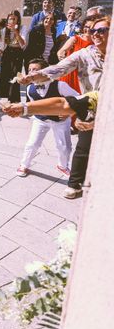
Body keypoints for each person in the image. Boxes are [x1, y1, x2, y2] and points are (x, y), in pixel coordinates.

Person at [17, 15, 109, 199]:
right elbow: (59, 68)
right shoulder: (85, 54)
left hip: (109, 108)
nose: (96, 34)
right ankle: (74, 184)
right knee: (82, 148)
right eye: (93, 31)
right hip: (91, 106)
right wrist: (35, 76)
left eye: (102, 30)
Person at [15, 58, 78, 177]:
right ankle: (24, 165)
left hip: (60, 120)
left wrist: (68, 113)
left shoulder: (60, 85)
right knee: (32, 143)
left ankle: (63, 166)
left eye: (35, 70)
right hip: (40, 119)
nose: (31, 72)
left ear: (45, 71)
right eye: (29, 70)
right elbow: (34, 104)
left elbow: (78, 99)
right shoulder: (30, 88)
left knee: (64, 146)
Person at [56, 18, 95, 93]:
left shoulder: (97, 43)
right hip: (70, 74)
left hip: (85, 76)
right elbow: (61, 51)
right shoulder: (75, 39)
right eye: (86, 27)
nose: (88, 29)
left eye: (91, 27)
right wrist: (64, 60)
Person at [0, 10, 26, 103]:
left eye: (14, 19)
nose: (12, 21)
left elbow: (23, 44)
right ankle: (6, 97)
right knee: (5, 74)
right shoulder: (4, 30)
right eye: (10, 19)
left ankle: (14, 99)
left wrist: (15, 31)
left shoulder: (23, 28)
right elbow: (2, 46)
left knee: (15, 75)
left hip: (18, 52)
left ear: (18, 20)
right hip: (8, 52)